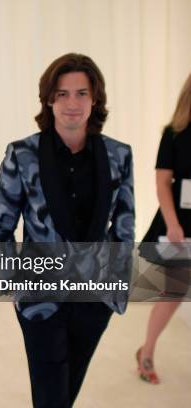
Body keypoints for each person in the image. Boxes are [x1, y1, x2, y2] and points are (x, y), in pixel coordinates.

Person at [0, 53, 134, 407]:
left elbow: (125, 226)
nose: (72, 103)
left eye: (81, 93)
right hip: (40, 297)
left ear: (95, 98)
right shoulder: (22, 154)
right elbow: (1, 225)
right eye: (63, 93)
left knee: (67, 390)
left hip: (93, 298)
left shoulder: (119, 155)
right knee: (51, 393)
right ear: (49, 99)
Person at [137, 73, 191, 384]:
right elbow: (162, 182)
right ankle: (147, 351)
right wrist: (172, 223)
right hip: (178, 223)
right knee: (174, 290)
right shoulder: (173, 134)